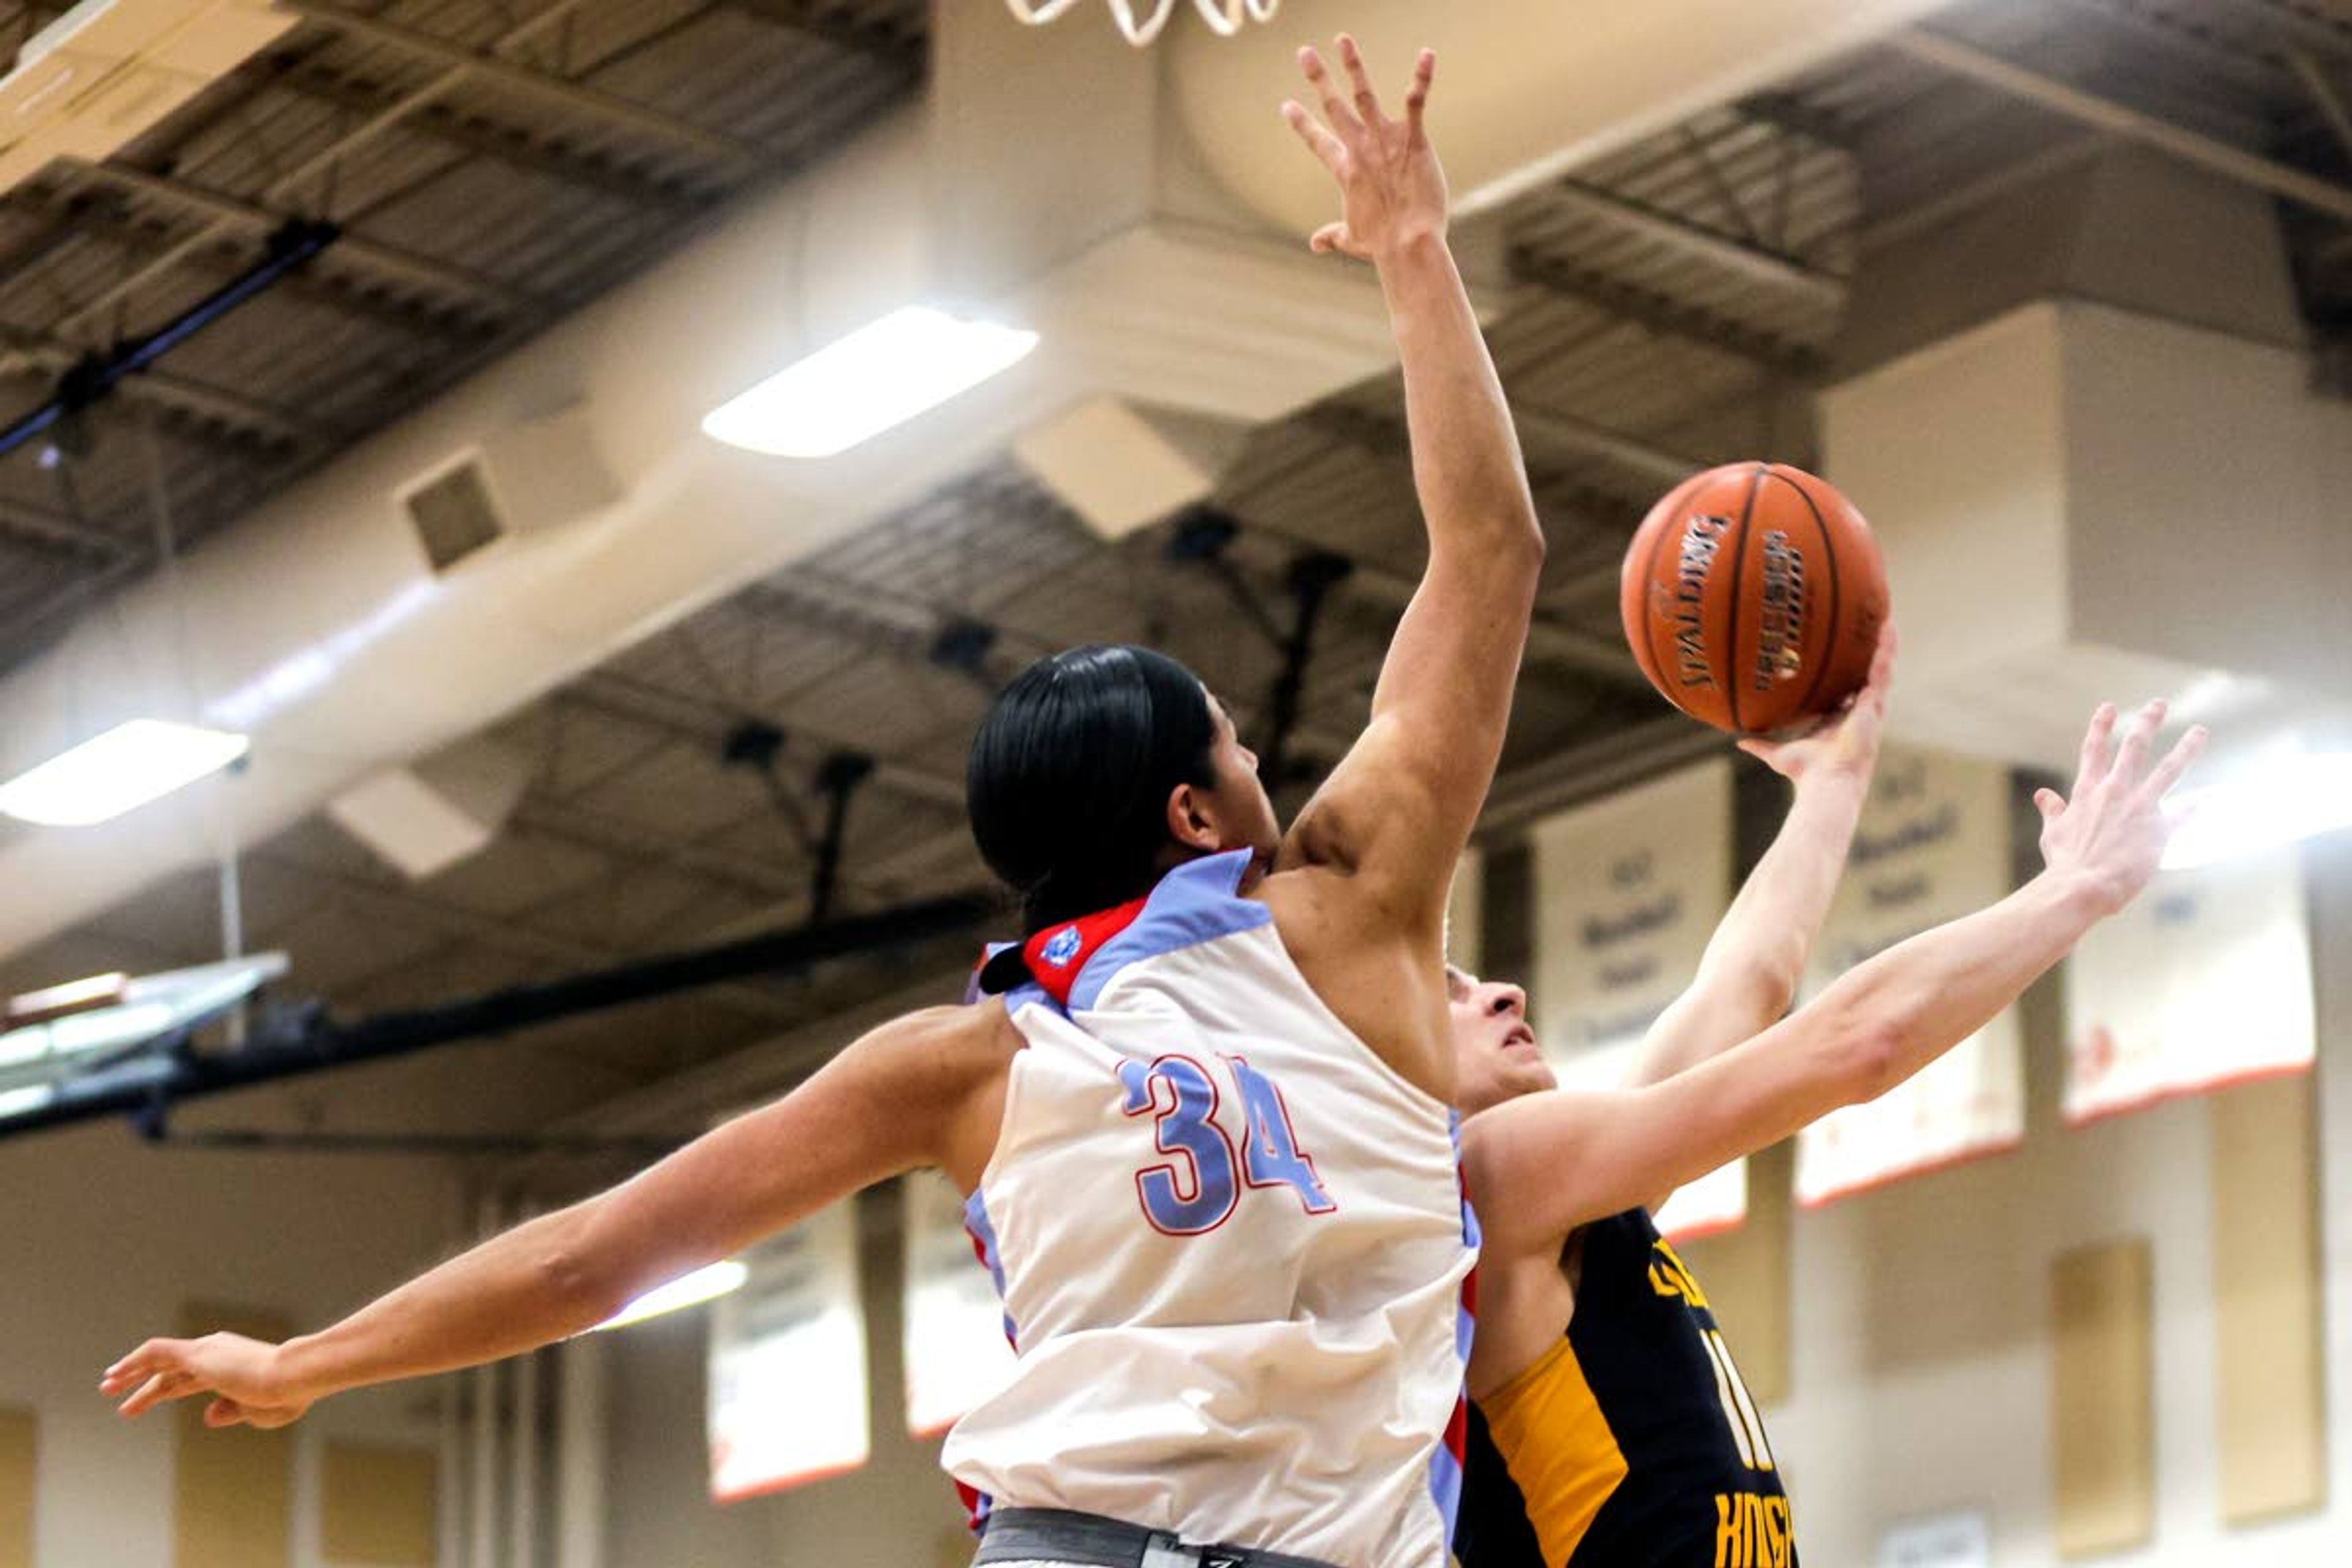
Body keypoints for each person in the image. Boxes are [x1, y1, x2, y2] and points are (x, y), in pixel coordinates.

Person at [103, 38, 1539, 1568]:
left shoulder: (966, 1057)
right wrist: (1413, 254)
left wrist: (305, 1363)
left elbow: (596, 1256)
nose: (1273, 769)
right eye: (1243, 748)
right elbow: (1491, 554)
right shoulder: (1349, 904)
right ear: (1194, 815)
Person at [1447, 688, 2204, 1568]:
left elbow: (1750, 984)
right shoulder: (1493, 1175)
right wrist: (2076, 892)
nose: (1503, 991)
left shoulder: (1555, 1200)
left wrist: (1832, 785)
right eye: (1452, 993)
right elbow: (1860, 1043)